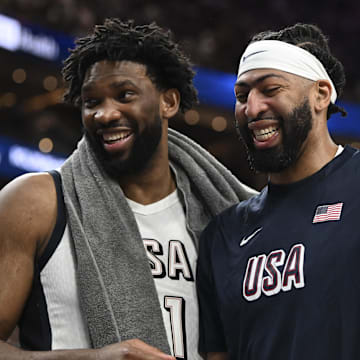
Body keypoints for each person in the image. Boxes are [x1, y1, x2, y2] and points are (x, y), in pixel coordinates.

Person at [0, 18, 256, 359]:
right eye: (92, 102)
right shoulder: (35, 202)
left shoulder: (225, 219)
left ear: (169, 102)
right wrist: (92, 358)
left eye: (124, 95)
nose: (105, 114)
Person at [196, 23, 360, 360]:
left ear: (321, 95)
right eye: (242, 96)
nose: (253, 109)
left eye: (270, 89)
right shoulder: (222, 235)